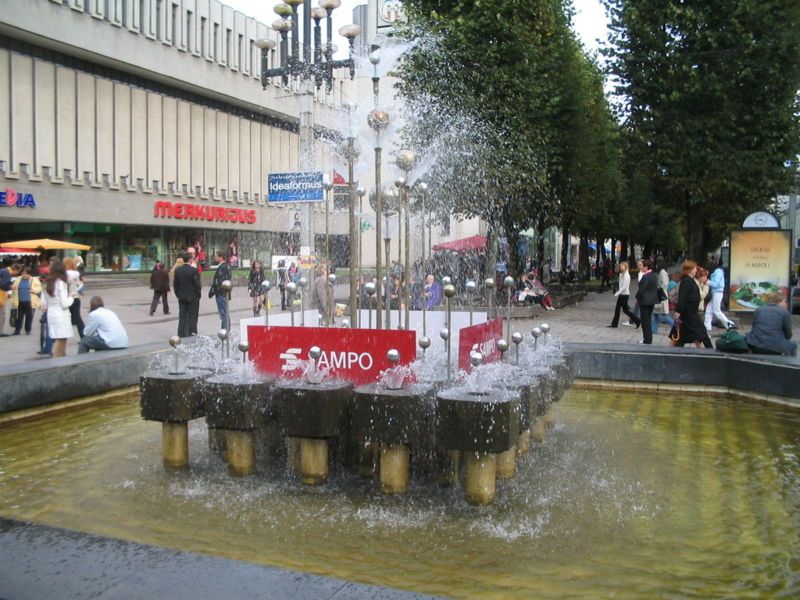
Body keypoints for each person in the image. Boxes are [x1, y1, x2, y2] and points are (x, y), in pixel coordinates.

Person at [673, 260, 712, 349]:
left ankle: (675, 352)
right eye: (694, 268)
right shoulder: (687, 281)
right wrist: (678, 311)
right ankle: (710, 350)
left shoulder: (690, 280)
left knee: (685, 335)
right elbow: (682, 297)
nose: (696, 270)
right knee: (701, 331)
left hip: (691, 312)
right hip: (689, 313)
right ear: (690, 270)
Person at [41, 260, 74, 357]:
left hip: (51, 313)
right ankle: (58, 362)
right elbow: (64, 304)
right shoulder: (61, 284)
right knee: (61, 340)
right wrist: (71, 297)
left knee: (58, 339)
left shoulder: (46, 283)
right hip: (61, 314)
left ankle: (60, 359)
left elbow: (44, 303)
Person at [173, 252, 201, 337]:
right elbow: (197, 285)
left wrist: (178, 294)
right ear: (190, 259)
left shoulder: (178, 270)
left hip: (182, 296)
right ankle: (192, 332)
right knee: (192, 316)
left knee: (182, 316)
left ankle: (181, 333)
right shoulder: (194, 271)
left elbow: (175, 285)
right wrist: (198, 295)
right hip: (192, 296)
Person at [705, 258, 735, 331]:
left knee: (716, 311)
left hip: (717, 292)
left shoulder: (717, 272)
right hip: (716, 292)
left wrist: (706, 281)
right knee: (709, 310)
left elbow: (715, 284)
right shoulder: (718, 271)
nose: (709, 263)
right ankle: (707, 327)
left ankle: (728, 324)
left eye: (711, 261)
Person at [11, 266, 42, 335]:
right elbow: (14, 286)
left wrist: (33, 290)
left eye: (25, 273)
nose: (23, 275)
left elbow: (39, 287)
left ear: (29, 274)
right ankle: (17, 330)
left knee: (29, 316)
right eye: (23, 273)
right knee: (19, 316)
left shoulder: (34, 280)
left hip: (29, 301)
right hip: (19, 301)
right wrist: (13, 288)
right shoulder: (19, 279)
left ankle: (28, 329)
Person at [608, 261, 640, 328]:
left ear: (626, 267)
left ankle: (637, 321)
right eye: (620, 266)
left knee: (625, 310)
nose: (620, 267)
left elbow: (625, 287)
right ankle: (614, 324)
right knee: (618, 309)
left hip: (625, 295)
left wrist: (617, 293)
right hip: (622, 294)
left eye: (622, 266)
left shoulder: (626, 276)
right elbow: (620, 285)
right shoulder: (622, 274)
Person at [635, 258, 659, 344]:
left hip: (644, 301)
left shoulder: (645, 277)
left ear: (647, 267)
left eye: (643, 266)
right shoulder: (654, 275)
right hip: (652, 300)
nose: (642, 268)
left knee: (645, 322)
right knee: (648, 319)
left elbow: (642, 289)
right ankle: (649, 339)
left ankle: (647, 339)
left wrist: (637, 296)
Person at [62, 257, 85, 340]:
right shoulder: (76, 273)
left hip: (68, 297)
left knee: (64, 317)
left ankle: (60, 337)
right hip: (76, 297)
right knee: (78, 318)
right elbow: (80, 285)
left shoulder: (65, 273)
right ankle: (83, 335)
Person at [209, 251, 232, 330]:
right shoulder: (226, 266)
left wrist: (213, 291)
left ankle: (225, 331)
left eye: (216, 256)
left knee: (224, 314)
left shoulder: (222, 267)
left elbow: (219, 282)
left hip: (221, 294)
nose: (215, 257)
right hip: (224, 293)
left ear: (221, 257)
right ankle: (226, 330)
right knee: (225, 313)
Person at [651, 258, 675, 334]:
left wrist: (659, 288)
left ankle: (676, 326)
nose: (656, 265)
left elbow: (664, 284)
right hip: (660, 294)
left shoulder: (662, 272)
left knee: (663, 315)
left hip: (661, 295)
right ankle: (653, 330)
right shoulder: (662, 272)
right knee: (655, 314)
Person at [0, 262, 20, 337]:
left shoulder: (4, 271)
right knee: (2, 315)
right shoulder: (7, 273)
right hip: (0, 296)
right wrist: (10, 287)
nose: (16, 273)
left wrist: (10, 283)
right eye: (17, 272)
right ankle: (0, 332)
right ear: (16, 269)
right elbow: (3, 285)